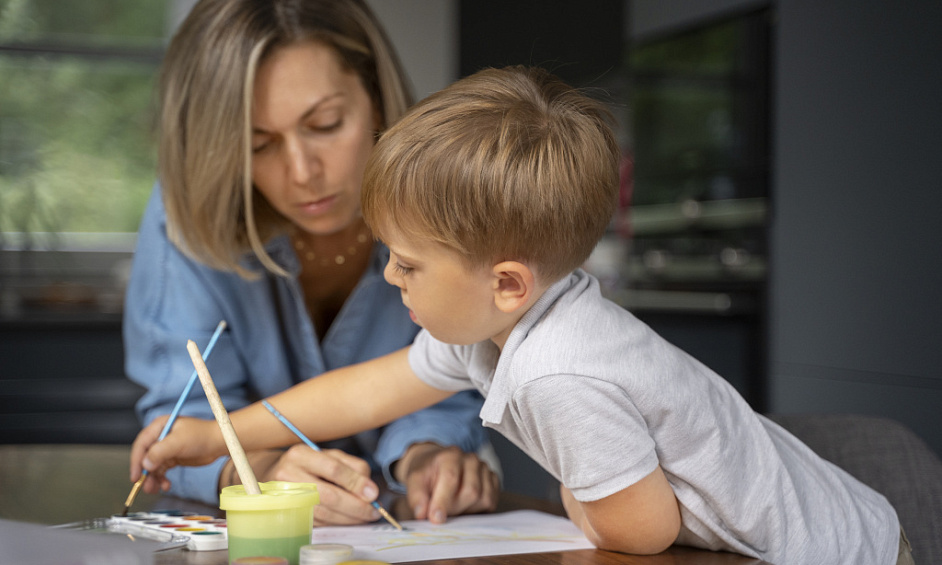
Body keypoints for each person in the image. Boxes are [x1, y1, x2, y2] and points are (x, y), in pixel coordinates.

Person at [131, 66, 910, 563]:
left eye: (407, 261)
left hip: (848, 551)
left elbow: (640, 530)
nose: (390, 273)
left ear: (505, 282)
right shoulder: (505, 322)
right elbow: (362, 392)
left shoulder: (558, 371)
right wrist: (204, 434)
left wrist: (576, 486)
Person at [123, 0, 500, 526]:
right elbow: (182, 426)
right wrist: (262, 472)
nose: (302, 172)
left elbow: (451, 370)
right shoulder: (187, 215)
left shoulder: (448, 197)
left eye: (324, 124)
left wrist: (428, 455)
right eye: (259, 144)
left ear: (375, 98)